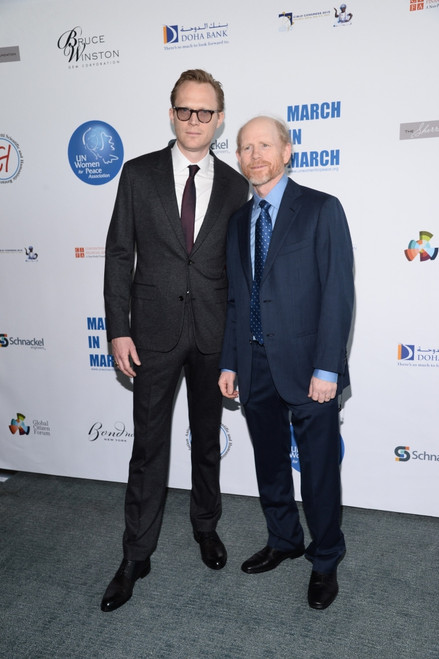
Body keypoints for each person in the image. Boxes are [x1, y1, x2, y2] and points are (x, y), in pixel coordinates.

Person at [101, 69, 249, 612]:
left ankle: (205, 527)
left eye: (204, 112)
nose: (194, 120)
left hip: (213, 336)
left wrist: (237, 344)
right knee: (148, 449)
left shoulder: (236, 185)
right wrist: (118, 326)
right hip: (153, 335)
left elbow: (241, 273)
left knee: (207, 441)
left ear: (219, 119)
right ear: (171, 114)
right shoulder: (137, 175)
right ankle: (136, 554)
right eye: (185, 110)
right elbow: (120, 254)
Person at [218, 116, 354, 610]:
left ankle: (325, 559)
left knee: (318, 470)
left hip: (308, 368)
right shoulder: (239, 221)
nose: (254, 155)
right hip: (253, 365)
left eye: (264, 145)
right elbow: (237, 299)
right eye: (245, 147)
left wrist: (328, 368)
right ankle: (284, 539)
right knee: (269, 462)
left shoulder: (320, 209)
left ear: (287, 150)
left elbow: (338, 294)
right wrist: (230, 362)